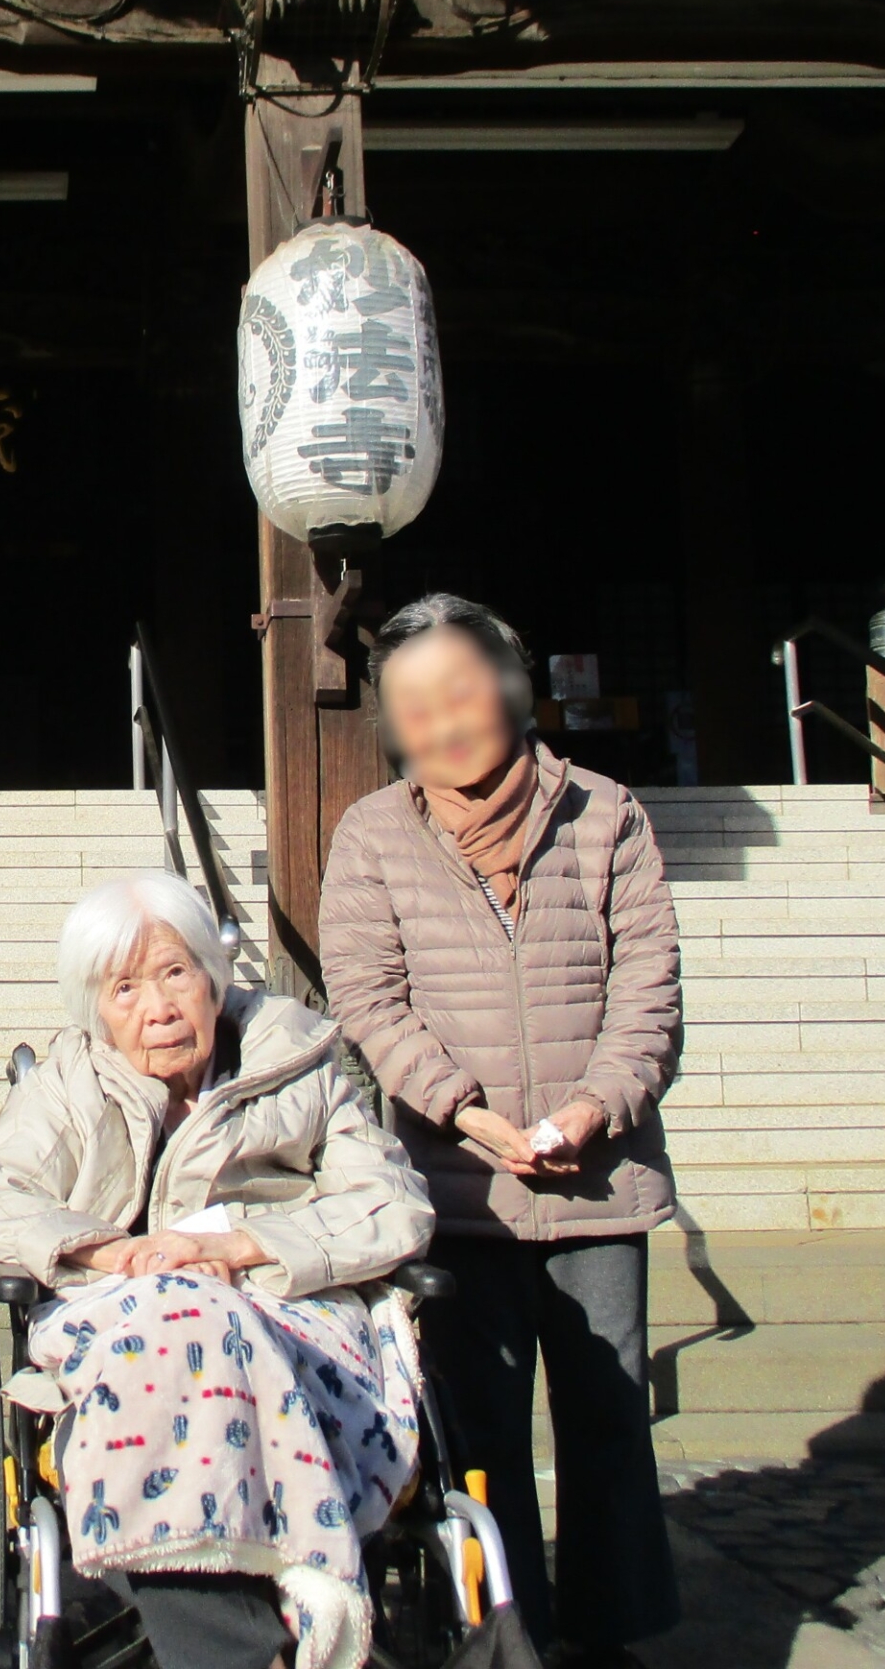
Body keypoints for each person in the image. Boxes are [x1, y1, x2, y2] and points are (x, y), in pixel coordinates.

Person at [318, 592, 684, 1668]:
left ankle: (613, 1634)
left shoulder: (607, 814)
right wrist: (466, 1112)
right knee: (479, 1437)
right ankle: (503, 1637)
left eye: (463, 691)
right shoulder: (371, 834)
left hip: (597, 1181)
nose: (444, 722)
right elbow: (367, 999)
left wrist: (591, 1108)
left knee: (610, 1423)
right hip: (455, 1188)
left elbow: (648, 994)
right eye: (415, 703)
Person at [0, 871, 434, 1669]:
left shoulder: (299, 1065)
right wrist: (118, 1252)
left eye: (176, 972)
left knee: (202, 1319)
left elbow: (393, 1204)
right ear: (96, 1011)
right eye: (126, 987)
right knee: (181, 1322)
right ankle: (268, 1628)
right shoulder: (68, 1084)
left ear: (214, 977)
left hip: (286, 1312)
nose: (159, 1005)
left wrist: (239, 1247)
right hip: (123, 1312)